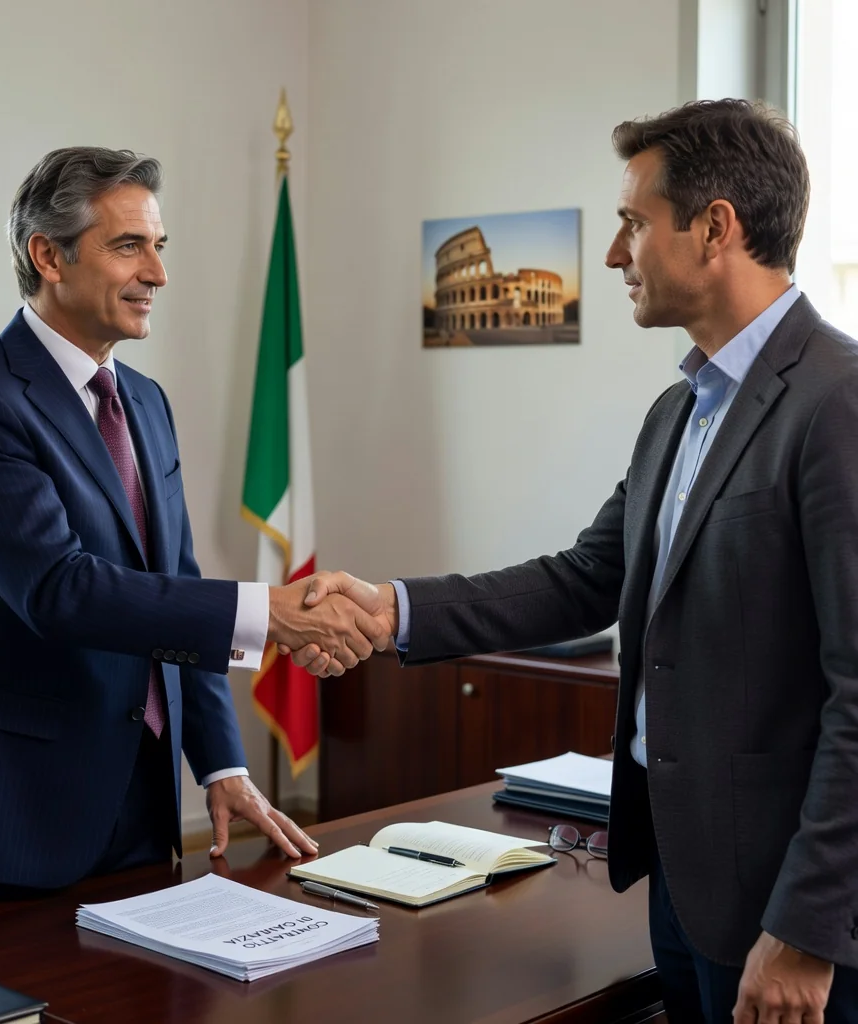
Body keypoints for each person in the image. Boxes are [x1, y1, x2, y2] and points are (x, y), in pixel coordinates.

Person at [296, 100, 858, 1023]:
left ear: (715, 227)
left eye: (633, 223)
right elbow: (584, 577)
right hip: (682, 880)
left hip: (784, 905)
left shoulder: (836, 401)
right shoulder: (680, 412)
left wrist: (807, 929)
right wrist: (389, 608)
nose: (611, 255)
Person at [0, 146, 388, 917]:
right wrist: (272, 614)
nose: (157, 273)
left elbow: (175, 589)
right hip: (9, 812)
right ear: (47, 255)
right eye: (129, 246)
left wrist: (221, 763)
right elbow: (61, 591)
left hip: (140, 799)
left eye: (159, 247)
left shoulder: (146, 403)